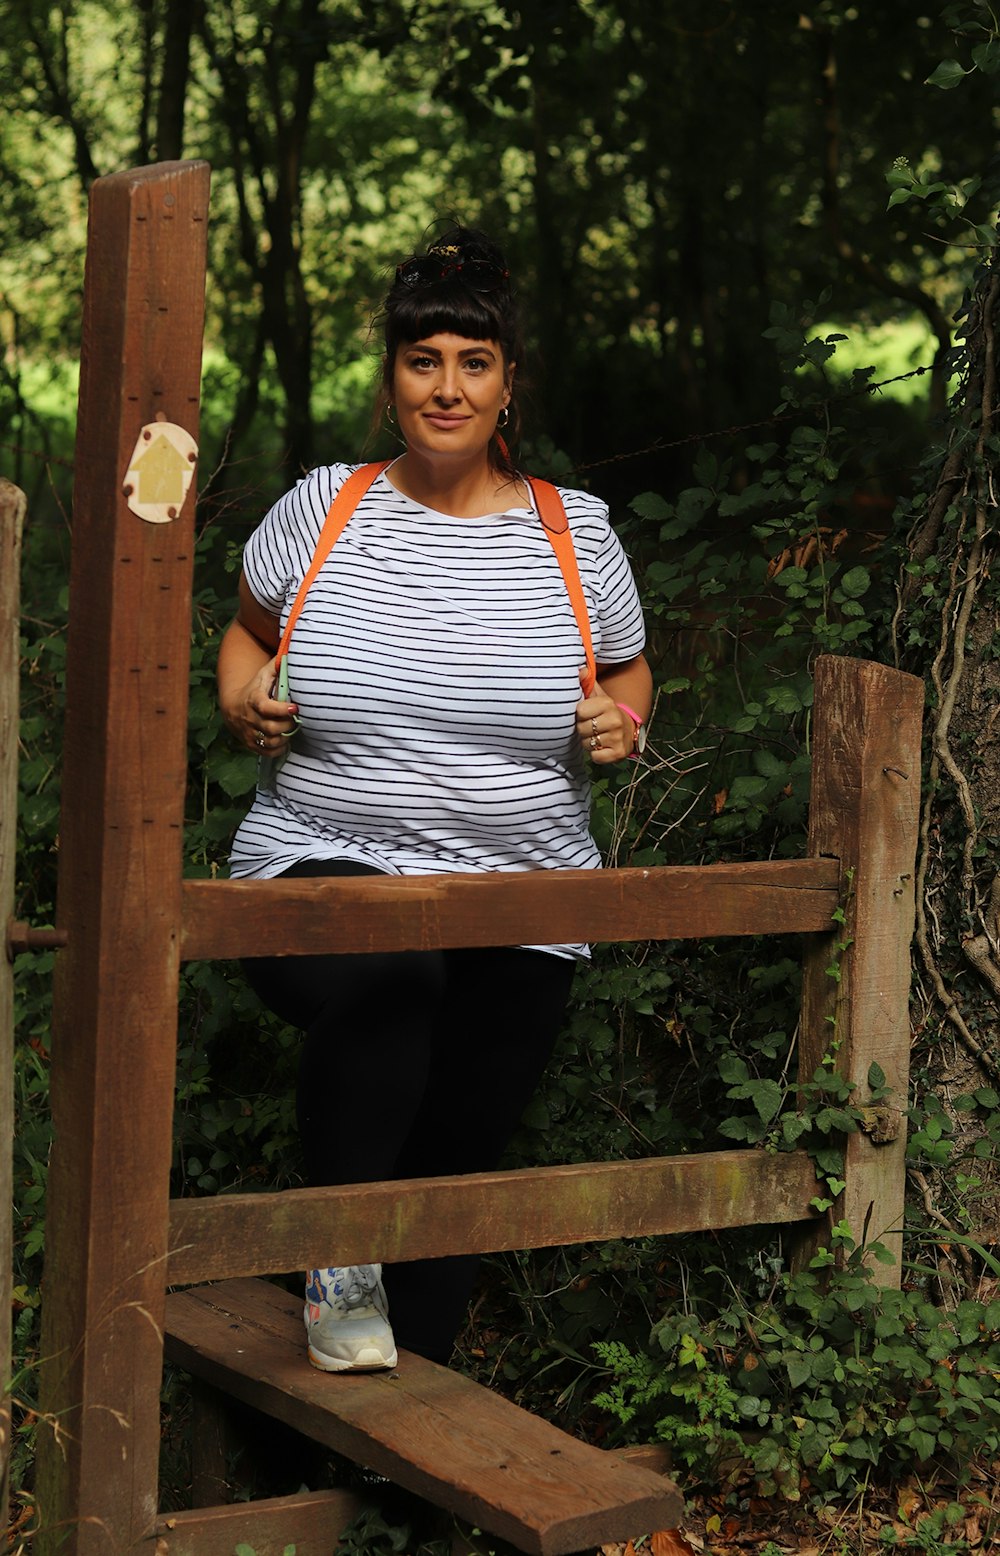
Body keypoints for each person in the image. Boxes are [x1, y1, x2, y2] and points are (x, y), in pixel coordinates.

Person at [217, 224, 653, 1374]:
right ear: (392, 377)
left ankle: (396, 1444)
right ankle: (339, 1258)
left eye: (473, 359)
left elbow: (625, 668)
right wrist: (242, 700)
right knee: (393, 962)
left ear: (509, 381)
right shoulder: (324, 505)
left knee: (457, 1149)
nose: (446, 385)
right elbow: (247, 633)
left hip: (525, 890)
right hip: (319, 853)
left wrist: (624, 719)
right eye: (424, 360)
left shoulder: (576, 532)